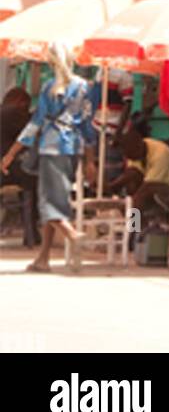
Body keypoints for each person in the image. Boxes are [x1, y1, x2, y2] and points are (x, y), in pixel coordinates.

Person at [0, 43, 96, 272]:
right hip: (74, 148)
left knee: (48, 203)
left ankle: (73, 235)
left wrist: (10, 154)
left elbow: (35, 124)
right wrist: (90, 159)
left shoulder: (49, 88)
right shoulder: (85, 86)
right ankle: (43, 258)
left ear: (52, 63)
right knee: (56, 199)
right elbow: (87, 124)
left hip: (52, 148)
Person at [0, 86, 38, 246]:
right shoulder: (13, 113)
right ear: (21, 102)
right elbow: (29, 134)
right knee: (33, 181)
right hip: (6, 169)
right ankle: (31, 231)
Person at [106, 128, 169, 216]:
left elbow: (149, 186)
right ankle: (136, 222)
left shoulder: (160, 155)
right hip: (153, 185)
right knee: (132, 181)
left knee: (145, 192)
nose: (126, 156)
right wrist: (113, 186)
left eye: (128, 153)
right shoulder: (137, 150)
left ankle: (133, 222)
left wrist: (129, 206)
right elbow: (132, 172)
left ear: (137, 147)